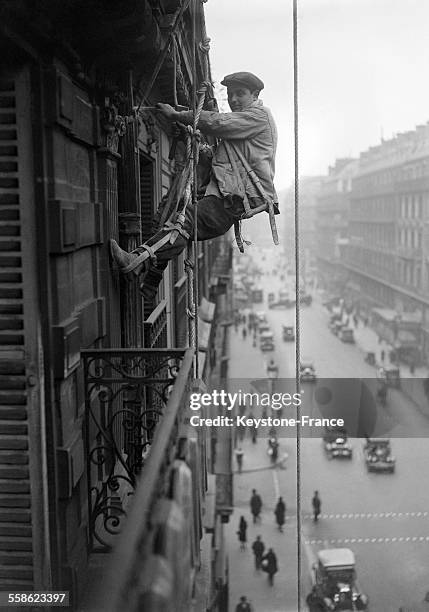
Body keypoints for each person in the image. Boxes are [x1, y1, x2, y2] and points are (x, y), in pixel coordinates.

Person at [109, 71, 278, 300]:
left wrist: (178, 115)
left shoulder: (258, 116)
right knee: (169, 213)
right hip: (224, 197)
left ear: (255, 95)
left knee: (182, 222)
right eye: (230, 94)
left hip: (230, 201)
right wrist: (197, 141)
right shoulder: (244, 125)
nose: (233, 100)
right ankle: (151, 282)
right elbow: (225, 157)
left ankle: (136, 263)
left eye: (240, 94)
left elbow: (218, 122)